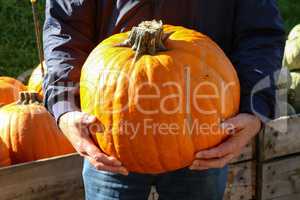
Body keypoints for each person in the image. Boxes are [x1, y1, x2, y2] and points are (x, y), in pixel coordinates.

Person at [43, 0, 285, 199]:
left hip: (203, 137)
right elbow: (65, 28)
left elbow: (260, 34)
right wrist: (64, 107)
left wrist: (255, 107)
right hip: (110, 136)